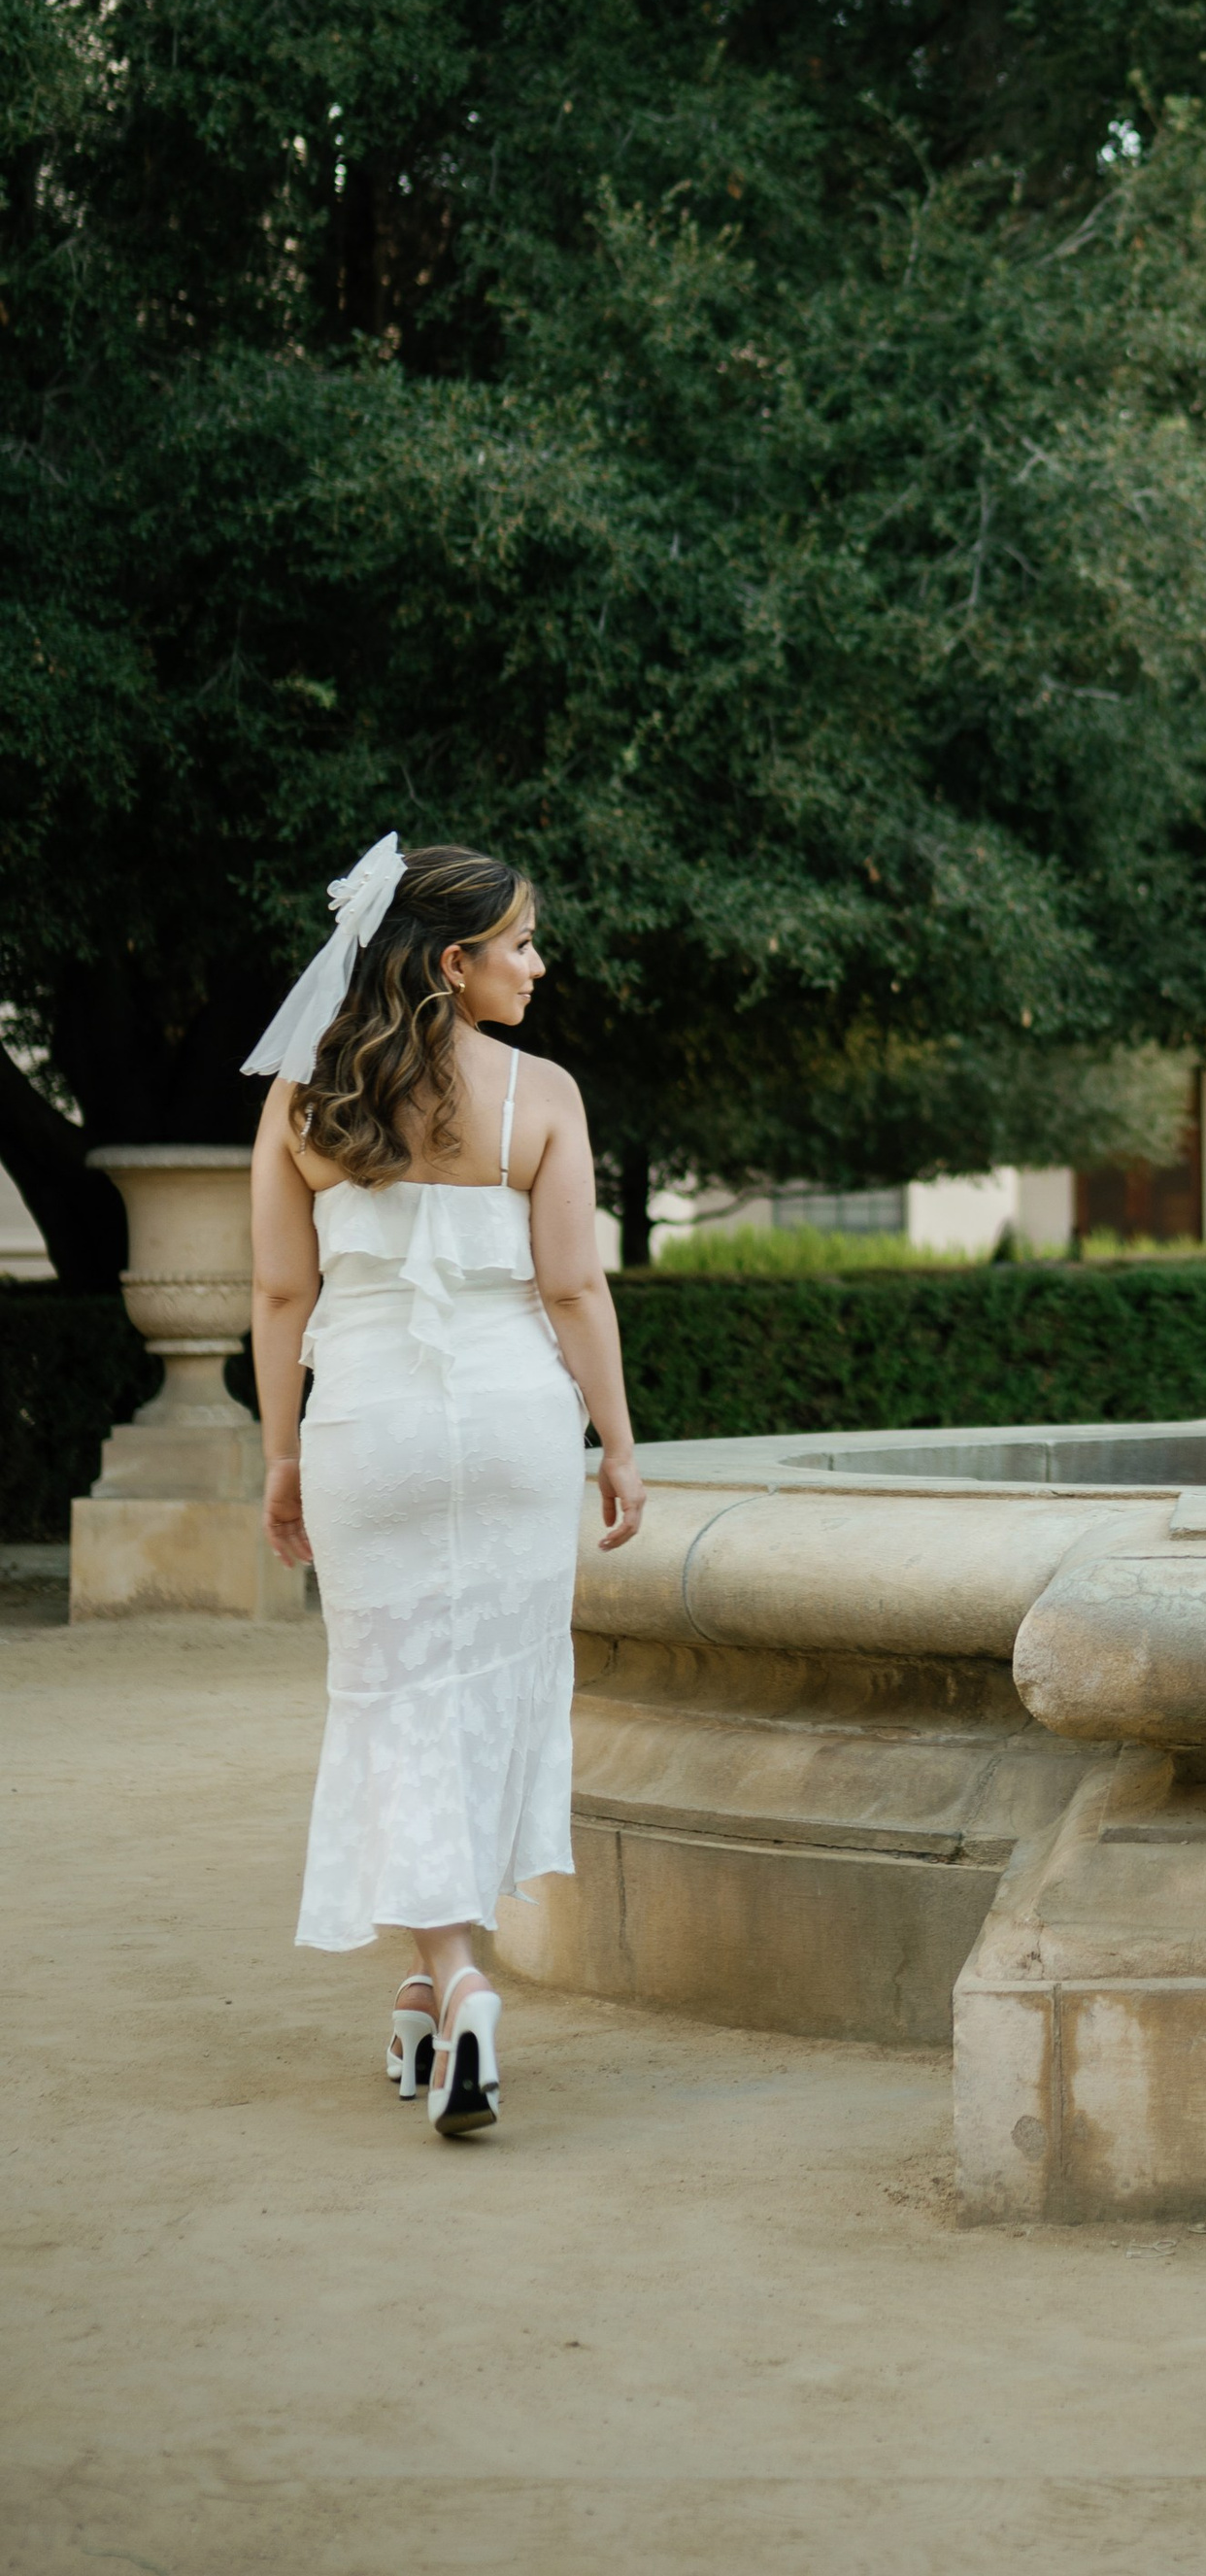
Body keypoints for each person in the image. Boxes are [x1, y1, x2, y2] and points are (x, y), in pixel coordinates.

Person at [247, 835, 646, 2136]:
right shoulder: (543, 1094)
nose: (539, 962)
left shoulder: (306, 1093)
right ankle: (449, 1977)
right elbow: (575, 1287)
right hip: (515, 1425)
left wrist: (283, 1456)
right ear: (455, 960)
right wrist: (618, 1443)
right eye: (520, 942)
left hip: (371, 1422)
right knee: (487, 1685)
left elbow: (278, 1292)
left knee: (395, 1692)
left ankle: (442, 1983)